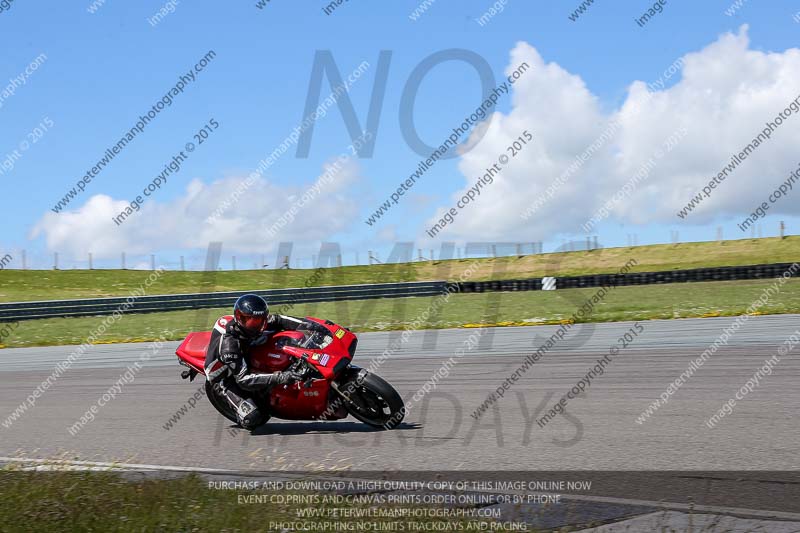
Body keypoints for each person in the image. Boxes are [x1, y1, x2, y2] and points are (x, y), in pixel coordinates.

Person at [203, 293, 321, 430]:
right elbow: (244, 380)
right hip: (225, 378)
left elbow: (279, 319)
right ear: (239, 318)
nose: (254, 325)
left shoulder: (261, 323)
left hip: (246, 354)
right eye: (249, 321)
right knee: (255, 418)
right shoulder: (230, 345)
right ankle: (244, 413)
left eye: (259, 320)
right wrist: (281, 377)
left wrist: (312, 327)